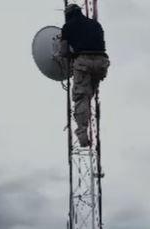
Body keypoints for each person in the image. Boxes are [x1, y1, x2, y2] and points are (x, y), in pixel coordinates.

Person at [60, 4, 110, 148]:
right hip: (101, 62)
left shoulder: (68, 26)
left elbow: (63, 52)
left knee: (82, 98)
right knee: (89, 96)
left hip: (83, 62)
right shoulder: (95, 24)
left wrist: (67, 56)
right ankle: (86, 122)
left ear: (68, 15)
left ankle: (82, 134)